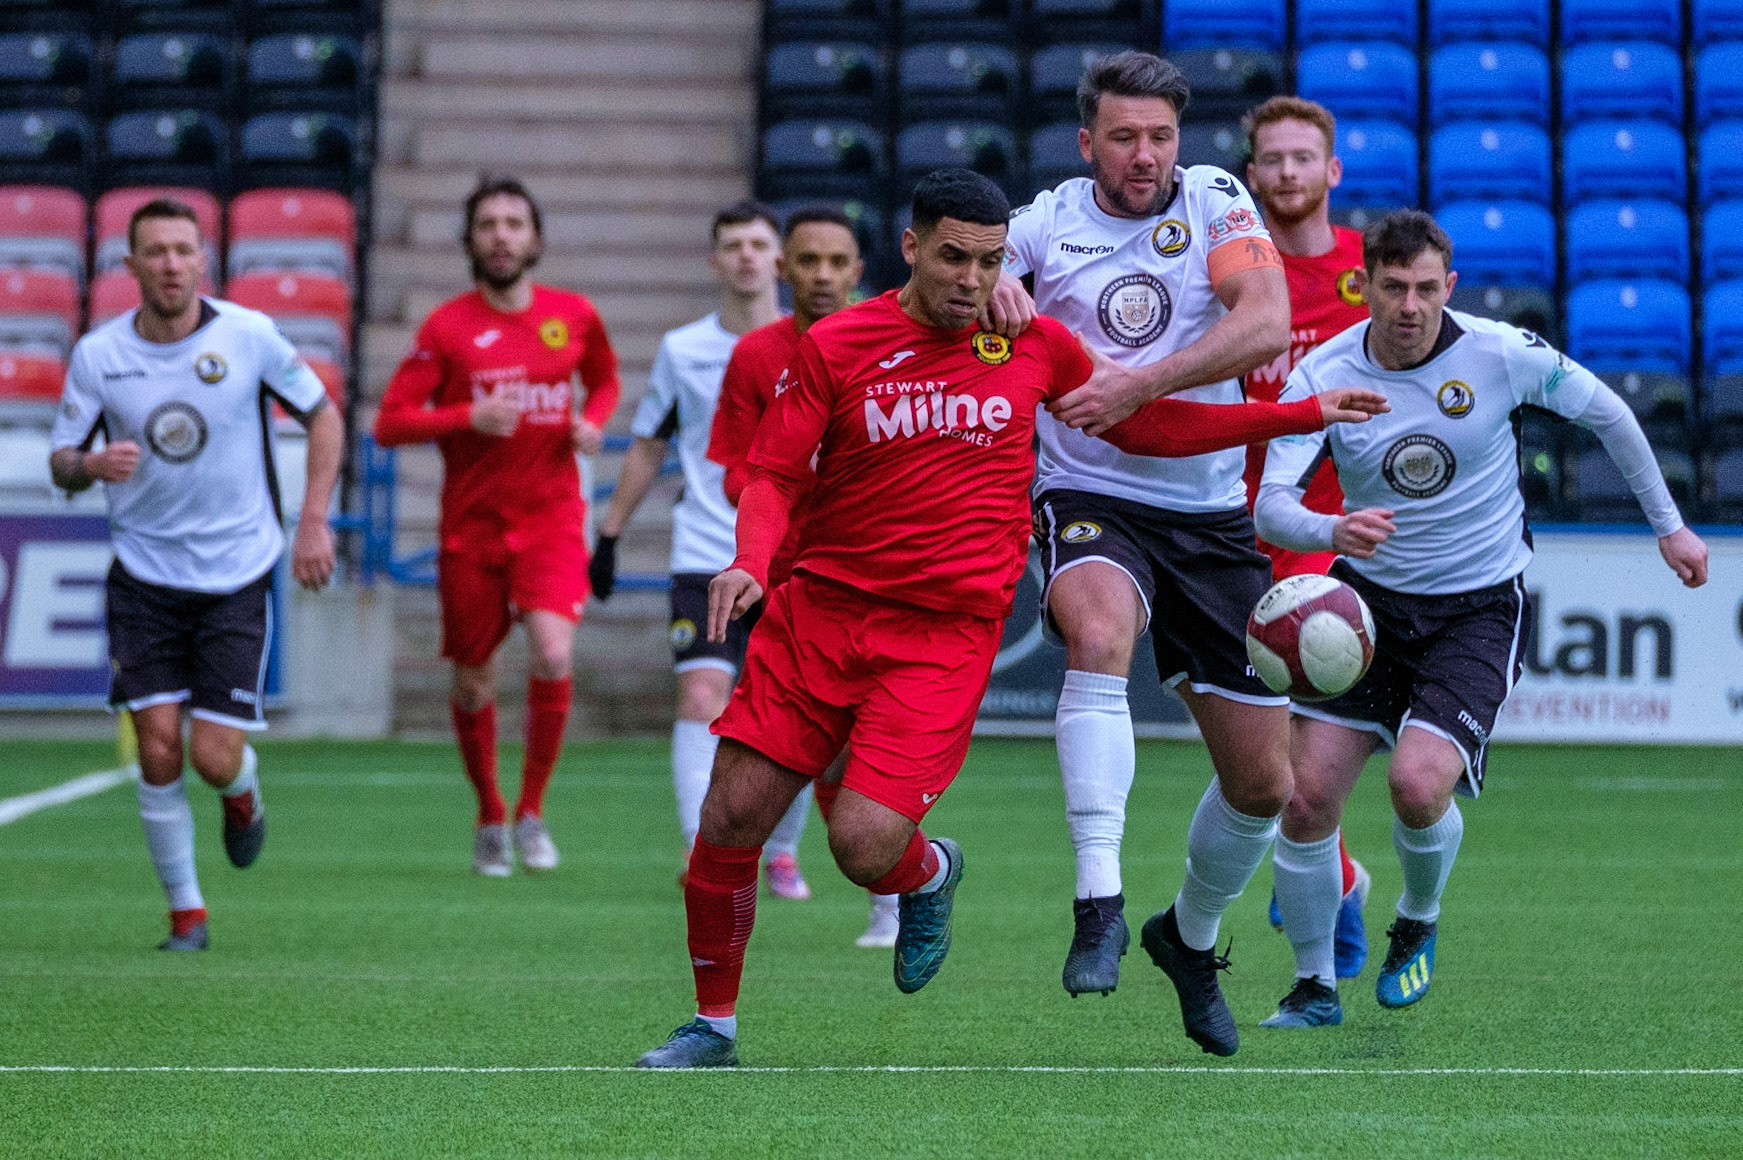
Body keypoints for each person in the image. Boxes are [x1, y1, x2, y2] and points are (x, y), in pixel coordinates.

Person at [634, 167, 1387, 1069]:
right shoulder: (837, 344)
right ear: (910, 248)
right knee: (729, 818)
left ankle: (931, 872)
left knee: (863, 846)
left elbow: (1142, 427)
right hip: (819, 616)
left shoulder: (1035, 345)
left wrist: (1298, 412)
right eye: (953, 257)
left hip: (938, 639)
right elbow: (775, 474)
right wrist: (749, 561)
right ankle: (711, 1026)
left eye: (990, 262)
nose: (971, 280)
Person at [1254, 209, 1708, 1028]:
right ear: (1365, 287)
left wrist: (1667, 525)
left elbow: (1608, 412)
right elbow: (1270, 506)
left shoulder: (1499, 353)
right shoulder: (1323, 373)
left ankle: (1416, 920)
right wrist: (1330, 532)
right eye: (1391, 288)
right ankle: (1314, 986)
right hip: (1364, 606)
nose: (1408, 305)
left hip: (1476, 607)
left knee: (1416, 787)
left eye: (1426, 288)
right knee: (1305, 799)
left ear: (1448, 287)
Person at [987, 50, 1294, 1056]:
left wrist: (1140, 383)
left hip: (1206, 511)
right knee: (1101, 631)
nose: (1144, 156)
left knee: (1264, 786)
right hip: (1089, 491)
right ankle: (1099, 898)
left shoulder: (1213, 198)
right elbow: (967, 270)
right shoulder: (1045, 221)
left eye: (1159, 136)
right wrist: (993, 286)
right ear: (1088, 143)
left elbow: (1266, 322)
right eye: (1123, 137)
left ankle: (1187, 937)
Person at [48, 198, 343, 950]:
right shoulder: (99, 355)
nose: (171, 264)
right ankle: (187, 913)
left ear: (202, 261)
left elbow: (324, 415)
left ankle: (241, 793)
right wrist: (87, 463)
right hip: (143, 577)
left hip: (235, 574)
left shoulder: (248, 337)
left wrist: (312, 517)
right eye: (156, 251)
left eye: (184, 249)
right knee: (155, 746)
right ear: (131, 266)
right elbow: (61, 460)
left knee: (213, 757)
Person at [373, 176, 619, 876]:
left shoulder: (572, 315)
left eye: (514, 223)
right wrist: (463, 417)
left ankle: (533, 812)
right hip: (471, 532)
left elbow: (603, 380)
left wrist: (591, 424)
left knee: (551, 653)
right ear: (470, 240)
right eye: (488, 224)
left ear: (535, 239)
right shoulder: (446, 328)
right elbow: (390, 422)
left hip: (550, 522)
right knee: (474, 681)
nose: (502, 236)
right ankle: (488, 812)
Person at [589, 200, 816, 901]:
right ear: (714, 261)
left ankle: (780, 851)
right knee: (701, 692)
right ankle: (701, 850)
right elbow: (651, 441)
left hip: (790, 554)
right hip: (707, 549)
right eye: (732, 245)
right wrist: (609, 532)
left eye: (758, 243)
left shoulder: (821, 342)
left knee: (796, 709)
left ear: (777, 260)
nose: (746, 256)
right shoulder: (682, 350)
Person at [706, 205, 905, 946]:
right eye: (807, 262)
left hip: (871, 577)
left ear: (858, 271)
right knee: (786, 740)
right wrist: (778, 488)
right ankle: (764, 858)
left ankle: (886, 893)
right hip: (784, 583)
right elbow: (733, 465)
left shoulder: (891, 345)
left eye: (836, 262)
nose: (821, 275)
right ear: (784, 270)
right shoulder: (756, 355)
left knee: (858, 743)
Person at [1243, 95, 1374, 977]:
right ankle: (1341, 876)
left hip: (1325, 537)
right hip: (1224, 532)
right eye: (1271, 159)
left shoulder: (1373, 271)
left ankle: (1322, 894)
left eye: (1302, 158)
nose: (1287, 173)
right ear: (1252, 174)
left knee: (1290, 767)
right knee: (1252, 761)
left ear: (1330, 172)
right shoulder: (1230, 269)